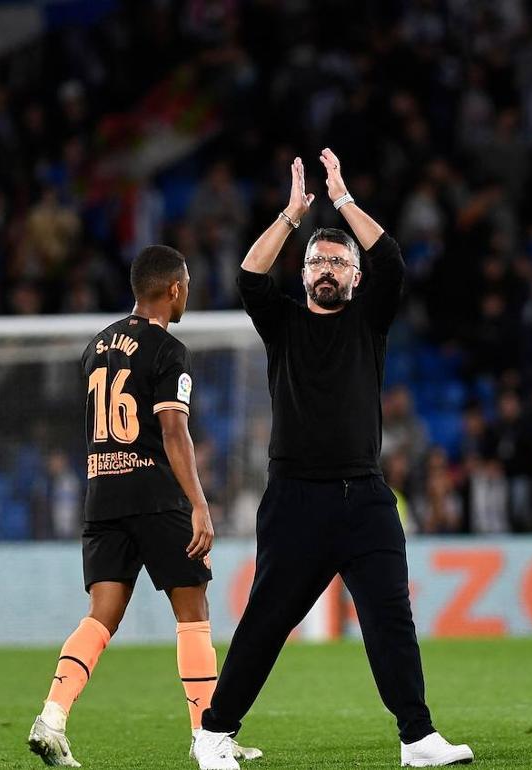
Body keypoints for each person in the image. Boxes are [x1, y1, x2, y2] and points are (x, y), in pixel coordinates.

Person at [191, 151, 472, 770]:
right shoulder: (283, 323)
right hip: (295, 498)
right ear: (305, 273)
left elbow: (392, 258)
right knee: (267, 621)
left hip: (366, 498)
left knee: (390, 618)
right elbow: (247, 276)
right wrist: (293, 215)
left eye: (339, 262)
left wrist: (342, 199)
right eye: (318, 261)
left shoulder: (370, 321)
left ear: (355, 278)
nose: (327, 269)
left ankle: (417, 738)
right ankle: (213, 734)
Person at [27, 245, 261, 766]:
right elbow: (174, 432)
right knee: (193, 610)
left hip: (101, 495)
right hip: (154, 494)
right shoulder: (167, 349)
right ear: (173, 288)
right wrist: (199, 503)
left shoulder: (95, 345)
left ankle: (52, 717)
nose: (188, 295)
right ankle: (209, 736)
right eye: (188, 285)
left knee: (101, 616)